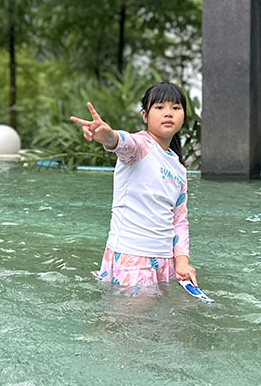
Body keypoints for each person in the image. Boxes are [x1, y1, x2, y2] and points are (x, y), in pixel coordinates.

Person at [69, 82, 199, 294]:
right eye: (160, 107)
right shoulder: (140, 147)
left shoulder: (178, 168)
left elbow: (179, 220)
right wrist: (108, 136)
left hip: (164, 261)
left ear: (183, 116)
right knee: (126, 321)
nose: (168, 113)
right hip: (133, 256)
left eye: (176, 108)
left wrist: (182, 262)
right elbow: (123, 142)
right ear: (145, 116)